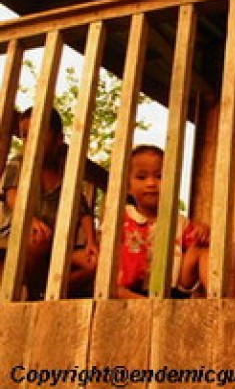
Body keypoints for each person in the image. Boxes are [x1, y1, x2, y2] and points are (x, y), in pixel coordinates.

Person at [1, 107, 98, 299]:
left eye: (39, 134)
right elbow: (12, 195)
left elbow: (83, 210)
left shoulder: (65, 175)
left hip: (56, 244)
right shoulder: (19, 163)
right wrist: (29, 219)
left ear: (58, 139)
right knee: (36, 239)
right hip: (18, 235)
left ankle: (48, 291)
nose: (31, 142)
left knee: (95, 262)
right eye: (26, 136)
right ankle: (36, 296)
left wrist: (91, 241)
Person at [117, 145, 209, 299]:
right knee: (114, 290)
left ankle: (216, 296)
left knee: (202, 251)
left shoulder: (179, 222)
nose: (151, 183)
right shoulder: (122, 218)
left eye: (160, 176)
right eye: (141, 177)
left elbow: (197, 243)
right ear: (128, 187)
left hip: (172, 289)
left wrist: (203, 230)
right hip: (132, 289)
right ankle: (145, 304)